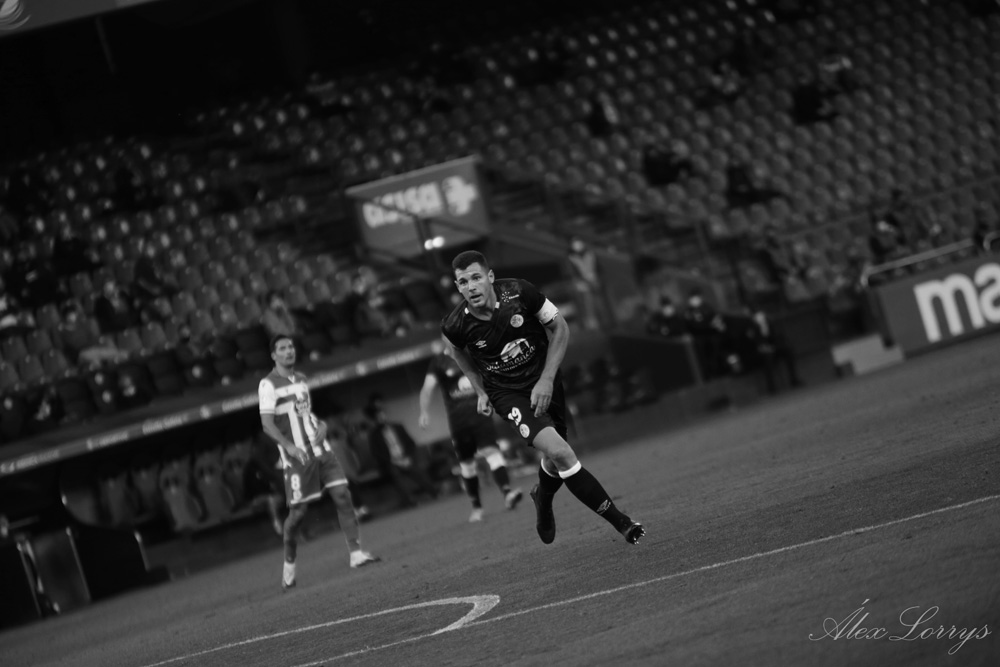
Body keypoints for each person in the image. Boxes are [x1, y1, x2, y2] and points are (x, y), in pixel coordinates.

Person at [441, 250, 644, 546]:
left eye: (476, 278)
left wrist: (547, 379)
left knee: (553, 457)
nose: (470, 287)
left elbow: (560, 327)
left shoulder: (521, 292)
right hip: (507, 394)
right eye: (463, 282)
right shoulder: (455, 324)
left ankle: (543, 498)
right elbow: (456, 352)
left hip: (546, 382)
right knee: (562, 453)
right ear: (457, 287)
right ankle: (622, 522)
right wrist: (481, 390)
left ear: (490, 277)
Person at [258, 334, 380, 589]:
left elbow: (304, 414)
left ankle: (356, 554)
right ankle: (289, 563)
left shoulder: (301, 379)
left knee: (343, 495)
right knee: (298, 515)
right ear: (273, 355)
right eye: (282, 348)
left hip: (321, 451)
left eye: (291, 346)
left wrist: (321, 425)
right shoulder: (268, 385)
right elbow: (267, 424)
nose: (289, 351)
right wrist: (289, 447)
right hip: (297, 458)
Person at [419, 347, 524, 523]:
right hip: (459, 423)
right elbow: (427, 388)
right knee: (467, 464)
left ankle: (507, 493)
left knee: (492, 452)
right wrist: (424, 411)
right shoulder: (438, 361)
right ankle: (477, 507)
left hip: (481, 415)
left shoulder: (472, 352)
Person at [365, 394, 440, 508]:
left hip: (406, 457)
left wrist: (408, 457)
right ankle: (409, 501)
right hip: (391, 462)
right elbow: (376, 452)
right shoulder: (374, 434)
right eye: (378, 417)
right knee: (395, 476)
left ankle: (434, 493)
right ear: (375, 419)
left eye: (382, 415)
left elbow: (410, 443)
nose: (381, 418)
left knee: (417, 471)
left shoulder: (398, 427)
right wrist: (393, 461)